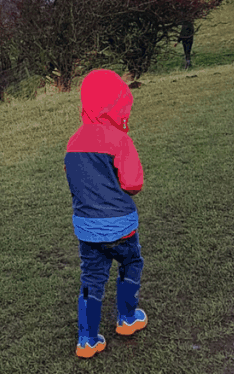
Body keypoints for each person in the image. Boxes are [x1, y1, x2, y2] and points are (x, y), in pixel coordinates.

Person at [64, 69, 147, 358]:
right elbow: (133, 183)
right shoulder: (119, 141)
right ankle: (127, 317)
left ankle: (87, 339)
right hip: (120, 225)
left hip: (87, 229)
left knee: (91, 279)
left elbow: (73, 180)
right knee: (131, 263)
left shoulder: (73, 143)